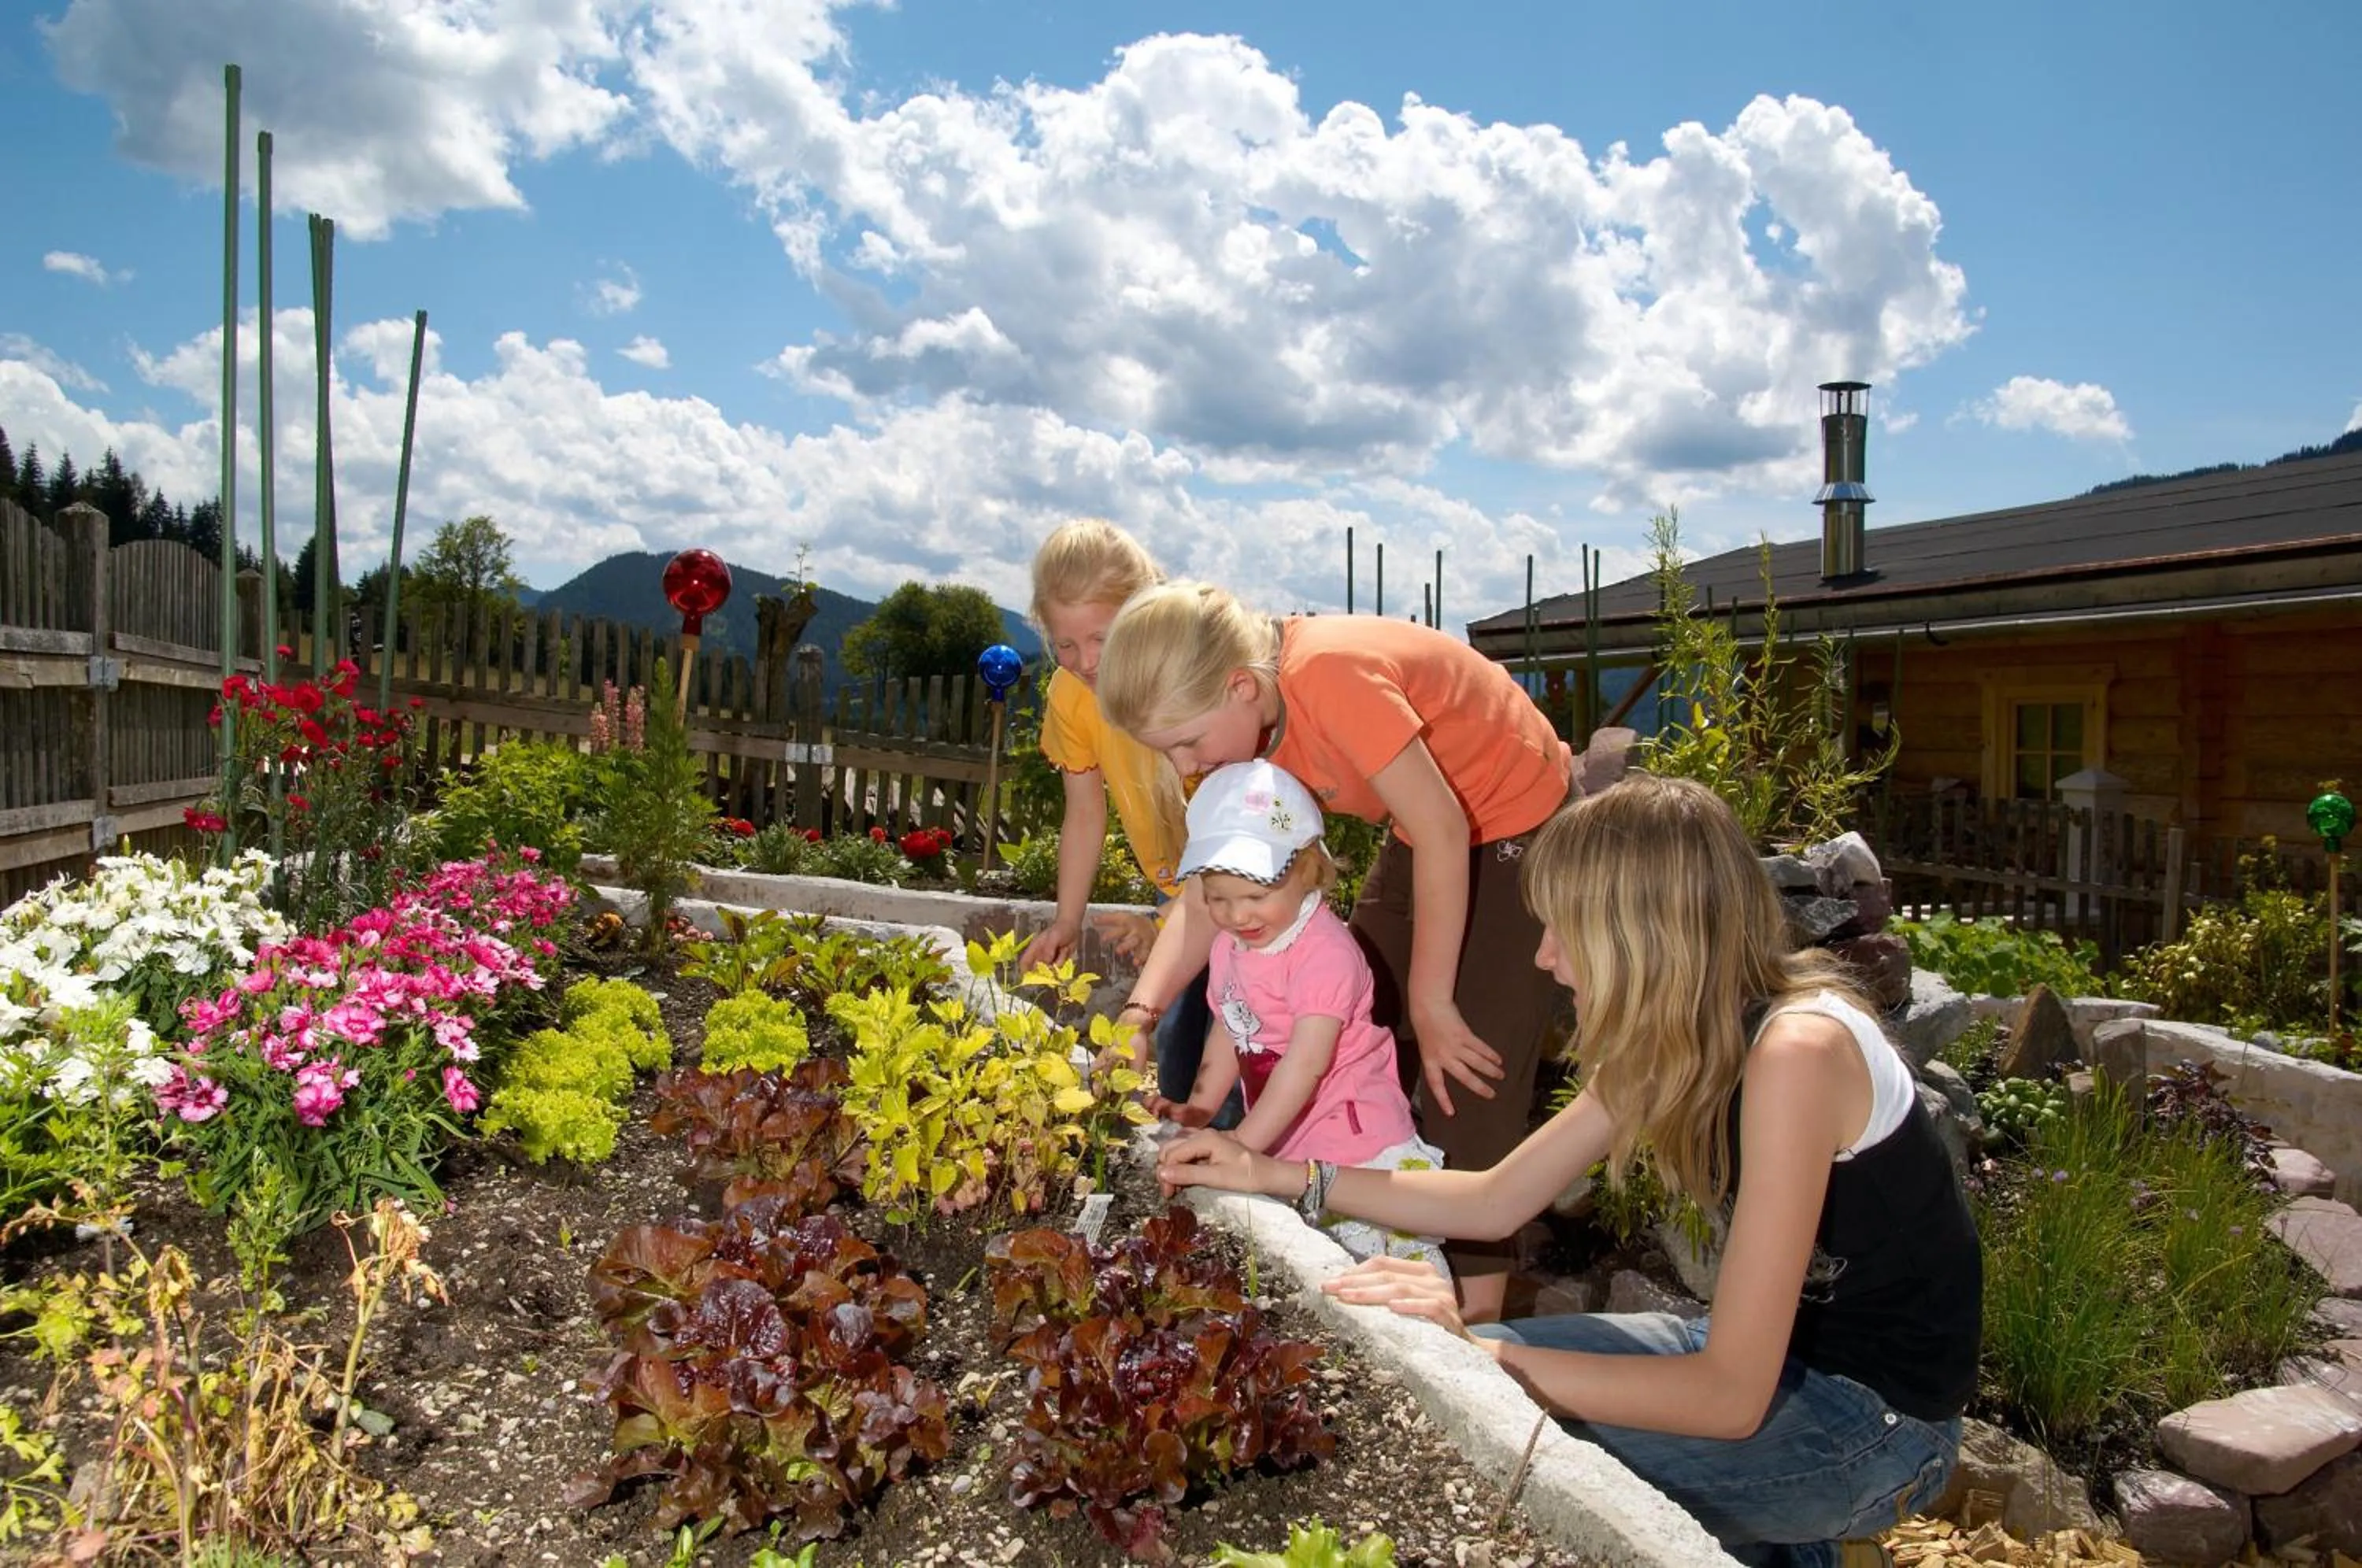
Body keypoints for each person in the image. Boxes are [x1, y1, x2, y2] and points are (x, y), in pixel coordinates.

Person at [1156, 775, 1981, 1567]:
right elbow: (1493, 1200)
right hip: (1755, 1364)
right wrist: (1281, 1175)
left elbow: (1729, 1395)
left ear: (1640, 932)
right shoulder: (1682, 1028)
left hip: (1874, 1422)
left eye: (1561, 930)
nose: (1546, 959)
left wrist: (1473, 1356)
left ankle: (1791, 1539)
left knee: (1492, 1429)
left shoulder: (1798, 1052)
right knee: (1454, 1380)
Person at [1095, 580, 1575, 1319]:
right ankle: (1386, 1236)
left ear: (1242, 687)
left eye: (1188, 741)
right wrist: (1140, 1013)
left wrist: (1434, 1000)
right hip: (1431, 830)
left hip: (1517, 818)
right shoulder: (1245, 720)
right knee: (1359, 1024)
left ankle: (1477, 1320)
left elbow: (1448, 827)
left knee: (1462, 1069)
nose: (1187, 763)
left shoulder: (1332, 677)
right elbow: (1209, 899)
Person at [1153, 758, 1449, 1275]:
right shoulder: (1232, 946)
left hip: (1357, 1143)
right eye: (1218, 899)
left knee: (1385, 1264)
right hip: (1291, 1137)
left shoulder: (1324, 953)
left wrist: (1243, 1145)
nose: (1237, 915)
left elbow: (1305, 1065)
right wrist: (1199, 1110)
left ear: (1307, 872)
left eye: (1255, 896)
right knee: (1321, 1270)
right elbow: (1231, 1025)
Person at [1016, 520, 1227, 1122]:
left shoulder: (1183, 679)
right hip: (1178, 893)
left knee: (1237, 1050)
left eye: (1101, 639)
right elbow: (1084, 815)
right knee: (1181, 1063)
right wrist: (1066, 919)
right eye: (1065, 644)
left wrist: (1163, 921)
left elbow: (1232, 841)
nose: (1085, 662)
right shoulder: (1070, 694)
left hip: (1240, 892)